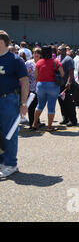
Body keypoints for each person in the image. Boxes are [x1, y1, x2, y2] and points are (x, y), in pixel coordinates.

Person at [0, 30, 29, 178]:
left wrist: (23, 103)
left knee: (9, 133)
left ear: (2, 42)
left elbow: (24, 82)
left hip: (9, 100)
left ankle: (11, 164)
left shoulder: (15, 60)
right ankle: (2, 162)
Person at [32, 46, 64, 132]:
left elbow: (36, 76)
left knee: (40, 105)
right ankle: (49, 127)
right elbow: (62, 74)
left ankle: (34, 123)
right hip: (53, 86)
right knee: (51, 106)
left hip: (41, 85)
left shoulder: (38, 62)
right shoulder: (56, 62)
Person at [57, 45, 77, 127]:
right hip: (60, 85)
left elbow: (71, 72)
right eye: (58, 49)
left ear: (64, 50)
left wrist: (69, 82)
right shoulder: (58, 58)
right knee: (62, 103)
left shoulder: (68, 59)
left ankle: (72, 120)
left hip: (67, 85)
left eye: (60, 50)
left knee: (70, 103)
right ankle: (65, 118)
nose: (58, 51)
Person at [25, 47, 43, 129]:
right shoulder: (28, 63)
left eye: (38, 53)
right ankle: (32, 123)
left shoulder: (42, 62)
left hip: (40, 88)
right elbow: (24, 75)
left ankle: (37, 121)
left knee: (38, 106)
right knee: (31, 106)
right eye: (35, 53)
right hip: (30, 88)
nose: (36, 54)